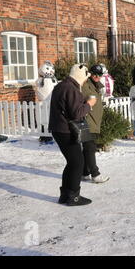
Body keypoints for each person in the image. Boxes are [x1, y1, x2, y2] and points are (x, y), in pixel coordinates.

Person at [49, 64, 96, 206]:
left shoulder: (61, 85)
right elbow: (76, 113)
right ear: (81, 76)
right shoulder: (71, 89)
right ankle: (73, 196)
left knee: (72, 162)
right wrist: (89, 104)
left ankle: (65, 195)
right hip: (66, 130)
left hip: (59, 129)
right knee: (78, 163)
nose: (85, 81)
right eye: (85, 78)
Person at [81, 64, 110, 184]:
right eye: (95, 74)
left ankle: (84, 172)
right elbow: (87, 97)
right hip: (87, 121)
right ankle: (95, 174)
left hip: (94, 120)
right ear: (90, 73)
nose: (97, 77)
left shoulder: (95, 85)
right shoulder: (85, 84)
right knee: (90, 148)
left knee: (87, 149)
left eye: (99, 75)